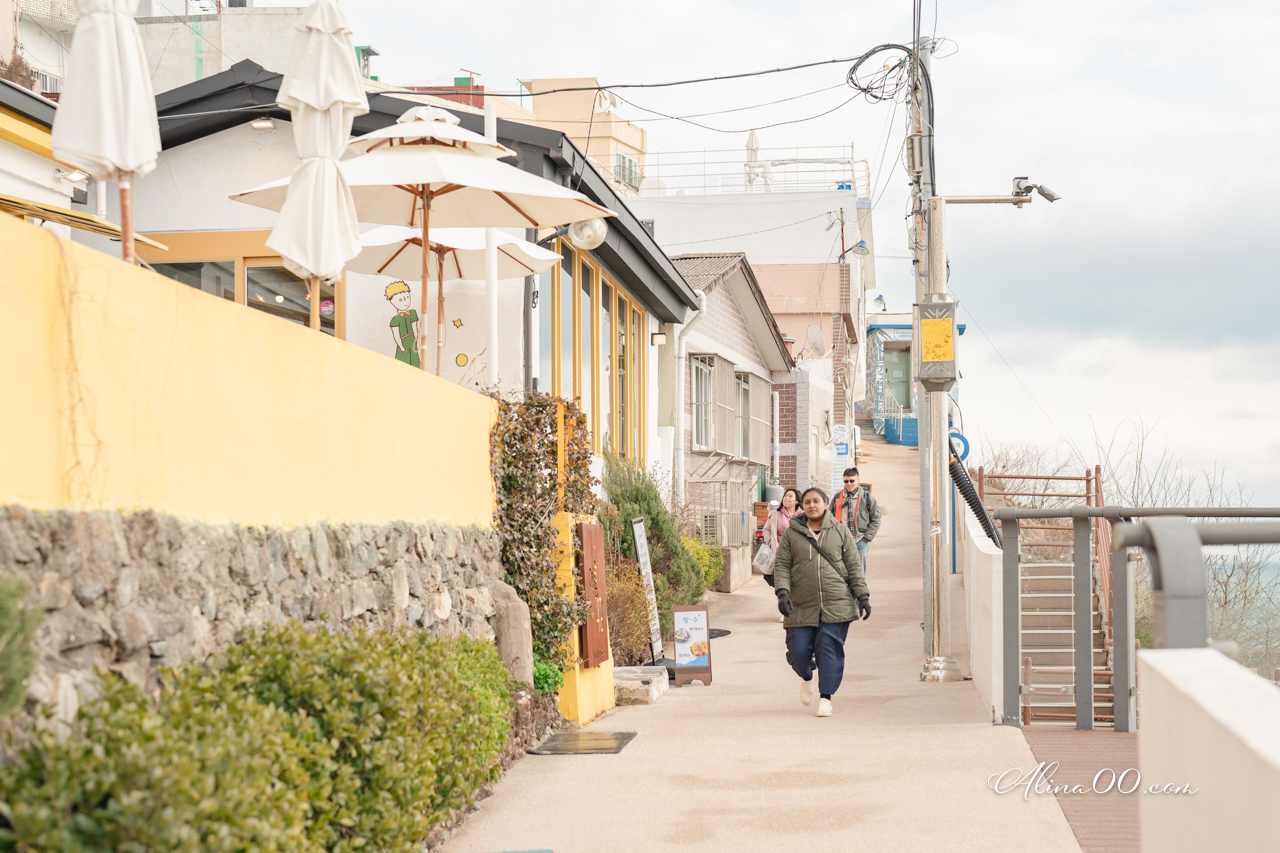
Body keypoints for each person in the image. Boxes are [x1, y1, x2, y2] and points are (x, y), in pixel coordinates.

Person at [774, 487, 871, 717]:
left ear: (826, 504)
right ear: (802, 506)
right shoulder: (791, 533)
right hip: (801, 602)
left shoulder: (839, 531)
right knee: (798, 650)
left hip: (836, 601)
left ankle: (826, 697)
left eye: (816, 501)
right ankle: (807, 675)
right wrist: (782, 592)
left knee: (828, 648)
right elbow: (782, 565)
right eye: (807, 502)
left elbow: (853, 566)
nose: (812, 505)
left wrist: (863, 596)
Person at [832, 467, 882, 574]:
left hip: (860, 540)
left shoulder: (868, 498)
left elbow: (876, 519)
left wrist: (866, 538)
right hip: (841, 541)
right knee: (840, 571)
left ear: (858, 481)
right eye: (846, 481)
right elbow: (829, 518)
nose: (849, 483)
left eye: (852, 481)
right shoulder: (837, 498)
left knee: (859, 573)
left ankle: (859, 591)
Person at [760, 488, 802, 588]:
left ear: (797, 501)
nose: (786, 498)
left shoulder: (803, 516)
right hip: (780, 553)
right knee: (782, 583)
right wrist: (771, 542)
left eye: (790, 496)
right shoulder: (775, 514)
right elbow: (766, 530)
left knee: (798, 583)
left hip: (798, 554)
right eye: (785, 496)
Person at [385, 281, 420, 368]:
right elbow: (396, 335)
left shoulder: (412, 313)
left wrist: (417, 341)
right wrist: (400, 346)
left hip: (412, 341)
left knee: (415, 363)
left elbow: (415, 329)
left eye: (407, 297)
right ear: (392, 302)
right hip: (403, 342)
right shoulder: (395, 320)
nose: (405, 301)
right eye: (400, 299)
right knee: (402, 364)